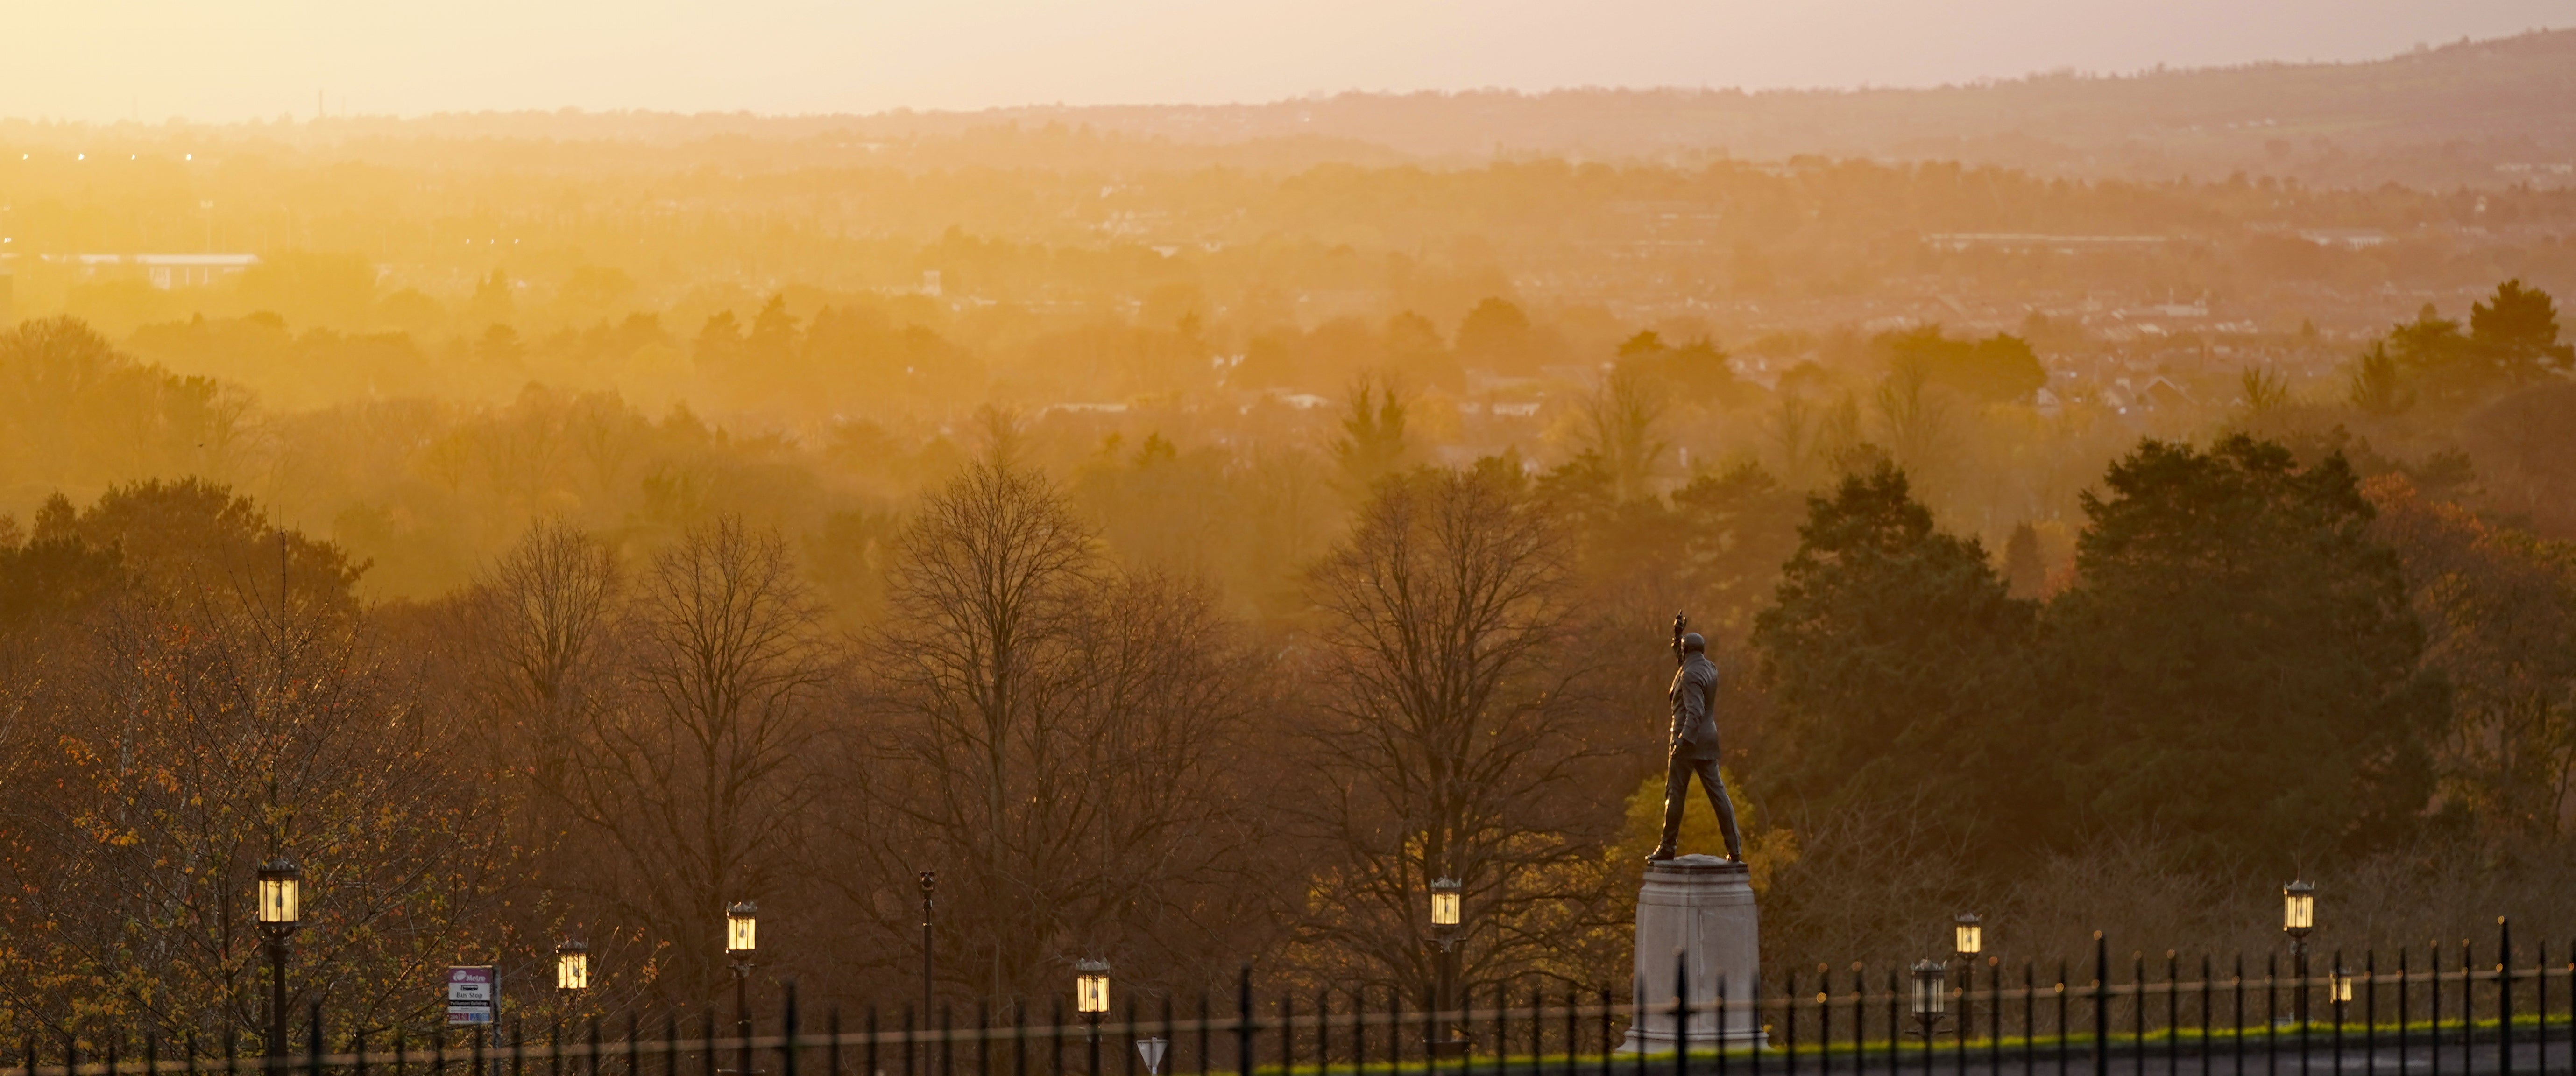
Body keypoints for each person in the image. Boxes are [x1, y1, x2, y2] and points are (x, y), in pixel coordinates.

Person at [1649, 632, 1745, 863]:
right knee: (1718, 794)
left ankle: (1668, 847)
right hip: (1708, 739)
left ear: (1686, 650)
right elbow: (1686, 666)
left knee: (1675, 794)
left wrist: (1682, 741)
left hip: (1688, 739)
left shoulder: (1689, 675)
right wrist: (1677, 637)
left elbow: (1695, 710)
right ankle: (1735, 849)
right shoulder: (1709, 668)